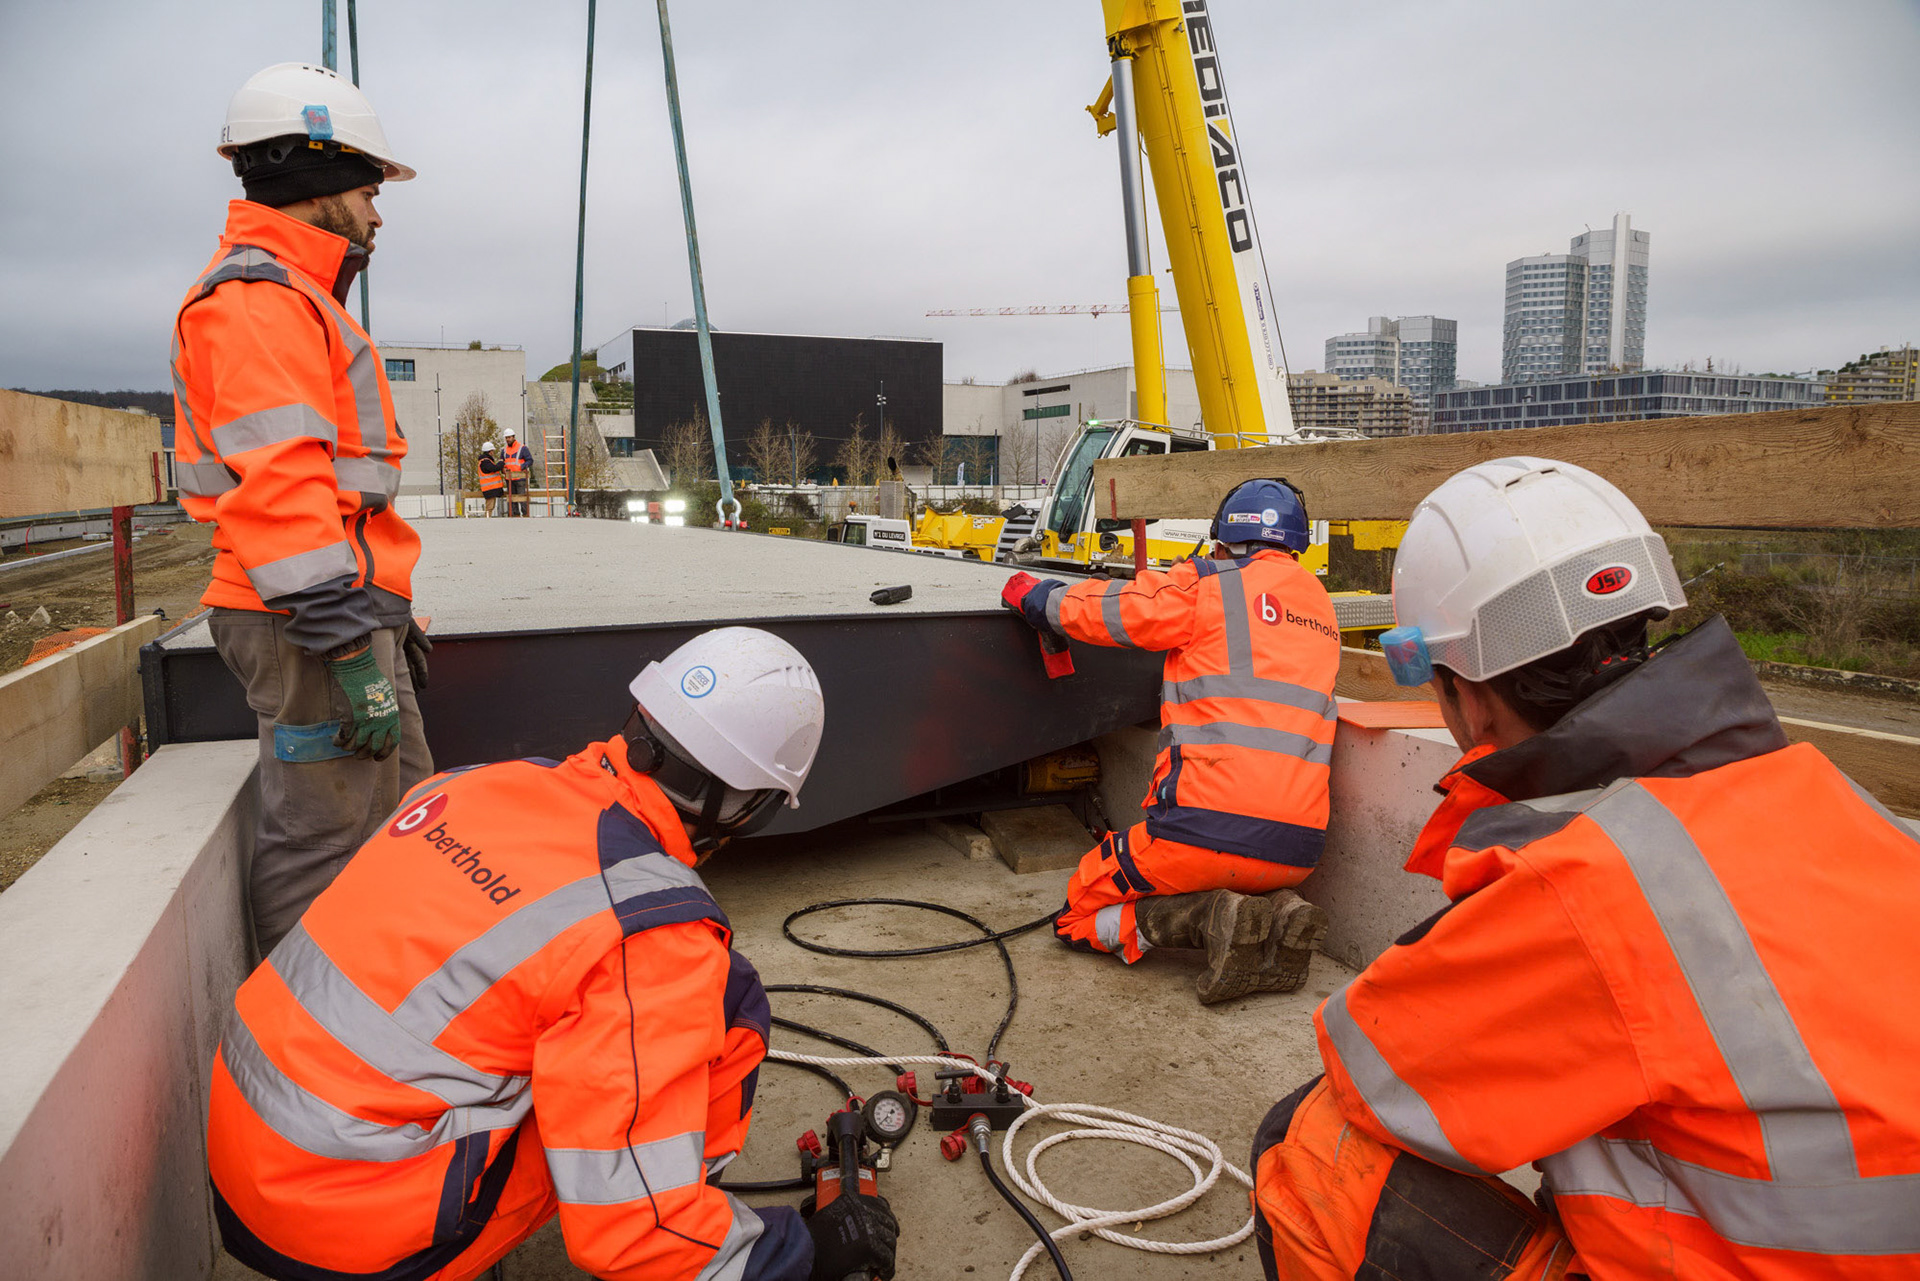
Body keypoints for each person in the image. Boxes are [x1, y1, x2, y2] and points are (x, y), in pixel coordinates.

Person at [1250, 457, 1920, 1279]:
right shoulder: (1830, 791)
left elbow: (1373, 1065)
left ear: (1472, 697)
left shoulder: (1588, 877)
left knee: (1311, 1148)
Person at [206, 627, 899, 1281]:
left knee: (704, 991)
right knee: (717, 1012)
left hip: (248, 1161)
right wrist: (799, 1251)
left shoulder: (477, 781)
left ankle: (661, 1174)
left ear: (643, 717)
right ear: (752, 809)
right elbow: (626, 1235)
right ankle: (686, 1215)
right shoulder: (653, 936)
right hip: (349, 1232)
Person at [171, 62, 432, 957]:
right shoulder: (257, 300)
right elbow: (280, 489)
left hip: (338, 612)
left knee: (402, 813)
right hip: (305, 619)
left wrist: (388, 616)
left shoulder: (301, 294)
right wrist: (348, 636)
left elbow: (336, 496)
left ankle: (378, 1012)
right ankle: (299, 1055)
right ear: (314, 178)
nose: (377, 211)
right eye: (367, 187)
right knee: (321, 838)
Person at [1002, 479, 1339, 1004]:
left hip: (1199, 832)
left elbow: (1122, 608)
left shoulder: (1210, 581)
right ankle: (1276, 910)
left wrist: (1040, 598)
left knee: (1076, 913)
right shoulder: (1320, 607)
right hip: (1298, 848)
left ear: (1223, 539)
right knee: (1235, 869)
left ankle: (1207, 918)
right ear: (1294, 544)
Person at [501, 428, 535, 516]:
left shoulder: (522, 448)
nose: (508, 439)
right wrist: (503, 470)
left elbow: (530, 460)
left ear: (513, 437)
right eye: (506, 438)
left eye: (509, 437)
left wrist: (521, 467)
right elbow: (502, 463)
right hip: (509, 479)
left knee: (522, 498)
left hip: (520, 478)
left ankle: (525, 514)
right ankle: (515, 515)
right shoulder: (504, 451)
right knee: (512, 499)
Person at [477, 441, 506, 516]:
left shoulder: (485, 461)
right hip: (490, 489)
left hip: (490, 489)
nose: (493, 452)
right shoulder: (485, 462)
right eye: (492, 451)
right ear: (490, 452)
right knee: (489, 507)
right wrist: (501, 463)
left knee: (491, 506)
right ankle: (487, 521)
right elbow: (494, 468)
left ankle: (487, 519)